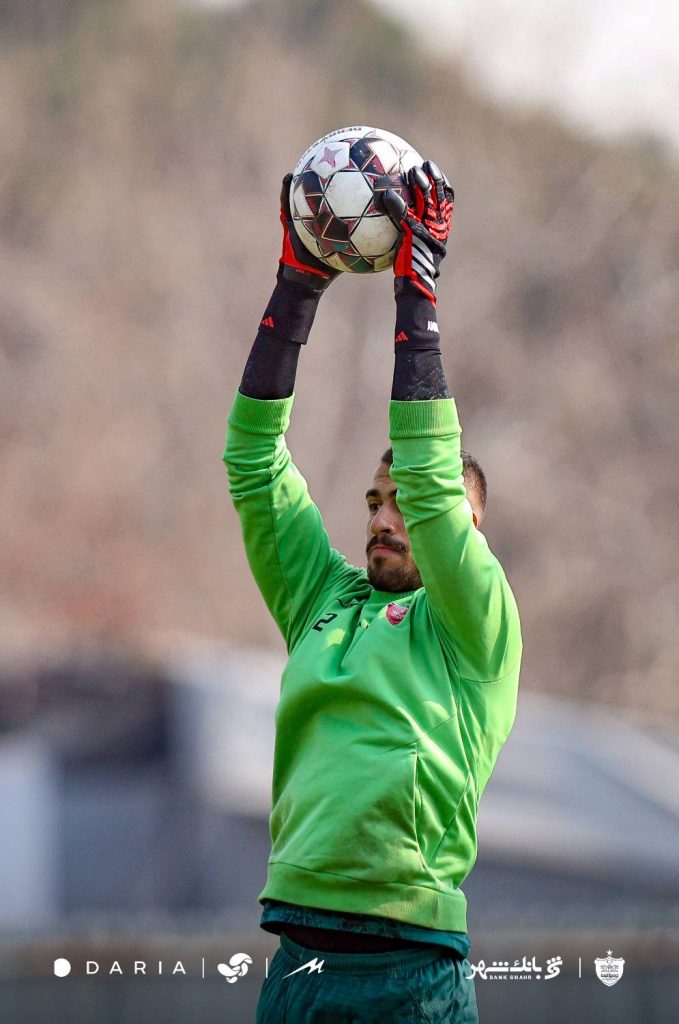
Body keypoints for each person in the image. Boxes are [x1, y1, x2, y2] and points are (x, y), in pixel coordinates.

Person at [223, 159, 522, 1023]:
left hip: (411, 969)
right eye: (373, 502)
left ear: (468, 531)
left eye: (413, 507)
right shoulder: (323, 600)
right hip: (298, 964)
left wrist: (415, 295)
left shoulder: (474, 627)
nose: (387, 518)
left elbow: (430, 479)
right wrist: (294, 290)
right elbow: (252, 463)